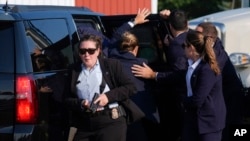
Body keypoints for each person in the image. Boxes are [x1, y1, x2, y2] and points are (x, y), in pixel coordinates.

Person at [132, 31, 227, 141]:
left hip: (208, 123)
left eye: (184, 46)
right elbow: (177, 76)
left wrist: (180, 100)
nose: (183, 49)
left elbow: (198, 99)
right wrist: (154, 75)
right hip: (193, 119)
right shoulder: (192, 65)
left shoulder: (206, 69)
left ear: (191, 48)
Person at [65, 34, 137, 141]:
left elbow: (131, 87)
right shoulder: (74, 70)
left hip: (110, 119)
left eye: (91, 51)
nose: (87, 55)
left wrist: (108, 97)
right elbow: (67, 99)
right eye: (82, 51)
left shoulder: (111, 65)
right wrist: (81, 103)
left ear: (98, 51)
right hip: (85, 122)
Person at [196, 22, 245, 141]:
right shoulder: (215, 47)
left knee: (230, 132)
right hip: (226, 98)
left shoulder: (216, 54)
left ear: (209, 38)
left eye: (198, 34)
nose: (195, 37)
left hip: (231, 99)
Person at [109, 31, 160, 141]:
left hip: (120, 112)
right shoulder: (142, 64)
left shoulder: (111, 63)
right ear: (136, 49)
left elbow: (111, 40)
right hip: (142, 112)